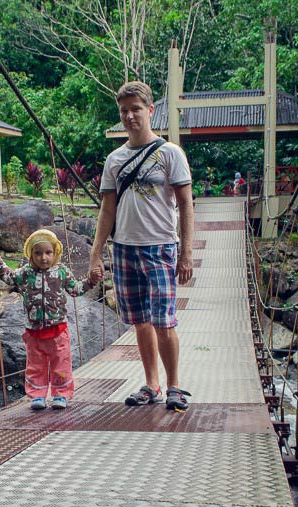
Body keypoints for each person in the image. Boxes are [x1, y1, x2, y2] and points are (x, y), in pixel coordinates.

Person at [88, 81, 195, 411]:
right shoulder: (115, 159)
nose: (130, 116)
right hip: (124, 249)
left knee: (164, 320)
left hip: (160, 247)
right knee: (140, 321)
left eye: (136, 109)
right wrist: (96, 254)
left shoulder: (170, 153)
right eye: (124, 111)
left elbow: (186, 203)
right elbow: (108, 209)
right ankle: (152, 385)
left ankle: (174, 385)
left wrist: (186, 252)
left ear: (150, 110)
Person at [0, 229, 97, 411]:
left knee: (61, 364)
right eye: (38, 253)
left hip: (57, 330)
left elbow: (76, 289)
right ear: (31, 254)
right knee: (35, 365)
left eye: (48, 252)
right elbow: (9, 277)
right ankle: (37, 396)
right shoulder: (26, 272)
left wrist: (91, 280)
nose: (43, 257)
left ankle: (61, 395)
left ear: (55, 253)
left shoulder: (61, 272)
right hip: (33, 331)